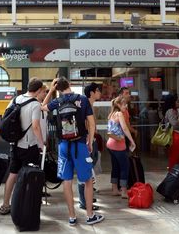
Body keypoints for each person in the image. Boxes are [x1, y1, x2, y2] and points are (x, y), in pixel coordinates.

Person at [42, 77, 104, 226]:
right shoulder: (82, 99)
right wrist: (89, 140)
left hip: (64, 146)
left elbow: (42, 106)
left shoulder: (58, 102)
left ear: (58, 88)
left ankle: (71, 217)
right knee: (87, 180)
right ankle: (90, 215)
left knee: (67, 181)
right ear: (69, 84)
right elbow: (91, 123)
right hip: (80, 145)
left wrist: (50, 90)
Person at [0, 77, 45, 215]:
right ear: (38, 90)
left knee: (13, 174)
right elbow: (36, 126)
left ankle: (5, 204)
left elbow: (4, 117)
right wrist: (41, 144)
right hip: (29, 145)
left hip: (15, 144)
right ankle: (24, 205)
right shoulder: (35, 104)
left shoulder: (15, 99)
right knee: (29, 175)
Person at [77, 82, 101, 210]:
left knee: (87, 170)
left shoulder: (89, 104)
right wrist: (89, 140)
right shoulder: (87, 105)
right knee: (85, 171)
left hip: (88, 141)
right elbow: (86, 124)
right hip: (87, 141)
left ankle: (87, 198)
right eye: (97, 90)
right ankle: (84, 202)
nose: (99, 92)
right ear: (91, 92)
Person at [106, 97, 136, 198]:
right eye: (124, 104)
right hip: (118, 145)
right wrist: (132, 141)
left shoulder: (111, 114)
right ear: (118, 105)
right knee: (124, 167)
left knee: (115, 167)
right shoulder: (119, 114)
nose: (126, 106)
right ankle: (123, 191)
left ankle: (115, 189)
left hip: (110, 145)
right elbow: (124, 128)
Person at [162, 94, 179, 170]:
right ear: (172, 102)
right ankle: (172, 175)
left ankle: (177, 175)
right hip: (174, 137)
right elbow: (174, 124)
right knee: (174, 157)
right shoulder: (170, 111)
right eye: (177, 101)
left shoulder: (176, 111)